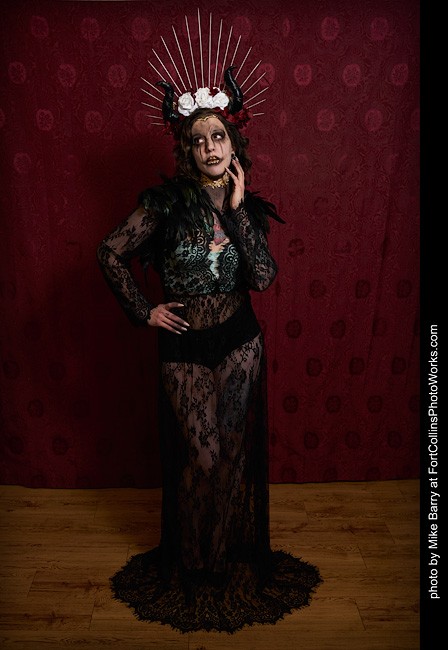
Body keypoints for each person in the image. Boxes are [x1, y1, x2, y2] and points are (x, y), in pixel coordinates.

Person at [97, 61, 321, 634]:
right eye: (198, 141)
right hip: (186, 344)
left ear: (233, 142)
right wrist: (144, 310)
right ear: (186, 150)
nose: (210, 147)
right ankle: (193, 563)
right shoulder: (164, 205)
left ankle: (221, 564)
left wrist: (239, 211)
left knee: (232, 457)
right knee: (202, 456)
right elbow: (110, 252)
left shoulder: (244, 203)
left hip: (240, 340)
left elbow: (263, 278)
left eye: (218, 136)